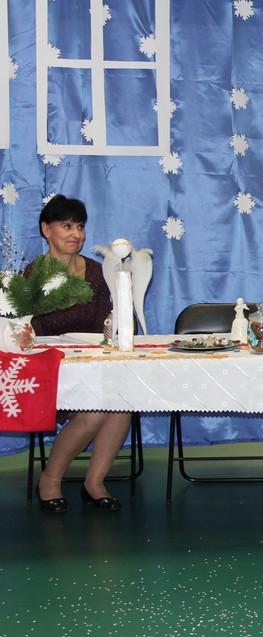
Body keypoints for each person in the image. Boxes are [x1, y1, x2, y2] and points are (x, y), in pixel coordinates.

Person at [33, 194, 132, 512]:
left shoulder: (96, 272)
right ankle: (49, 480)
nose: (76, 234)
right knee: (95, 410)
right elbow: (28, 335)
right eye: (67, 226)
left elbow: (107, 324)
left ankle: (95, 483)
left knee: (123, 402)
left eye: (80, 226)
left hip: (93, 365)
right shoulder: (31, 277)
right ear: (46, 229)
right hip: (52, 371)